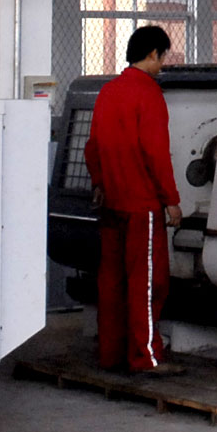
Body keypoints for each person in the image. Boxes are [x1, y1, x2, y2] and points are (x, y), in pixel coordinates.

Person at [84, 26, 183, 374]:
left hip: (111, 202)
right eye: (163, 57)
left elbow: (93, 145)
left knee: (111, 281)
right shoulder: (149, 93)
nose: (163, 65)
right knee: (147, 283)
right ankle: (146, 357)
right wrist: (171, 199)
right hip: (142, 205)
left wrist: (99, 182)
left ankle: (111, 353)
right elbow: (155, 152)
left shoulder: (108, 91)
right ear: (153, 53)